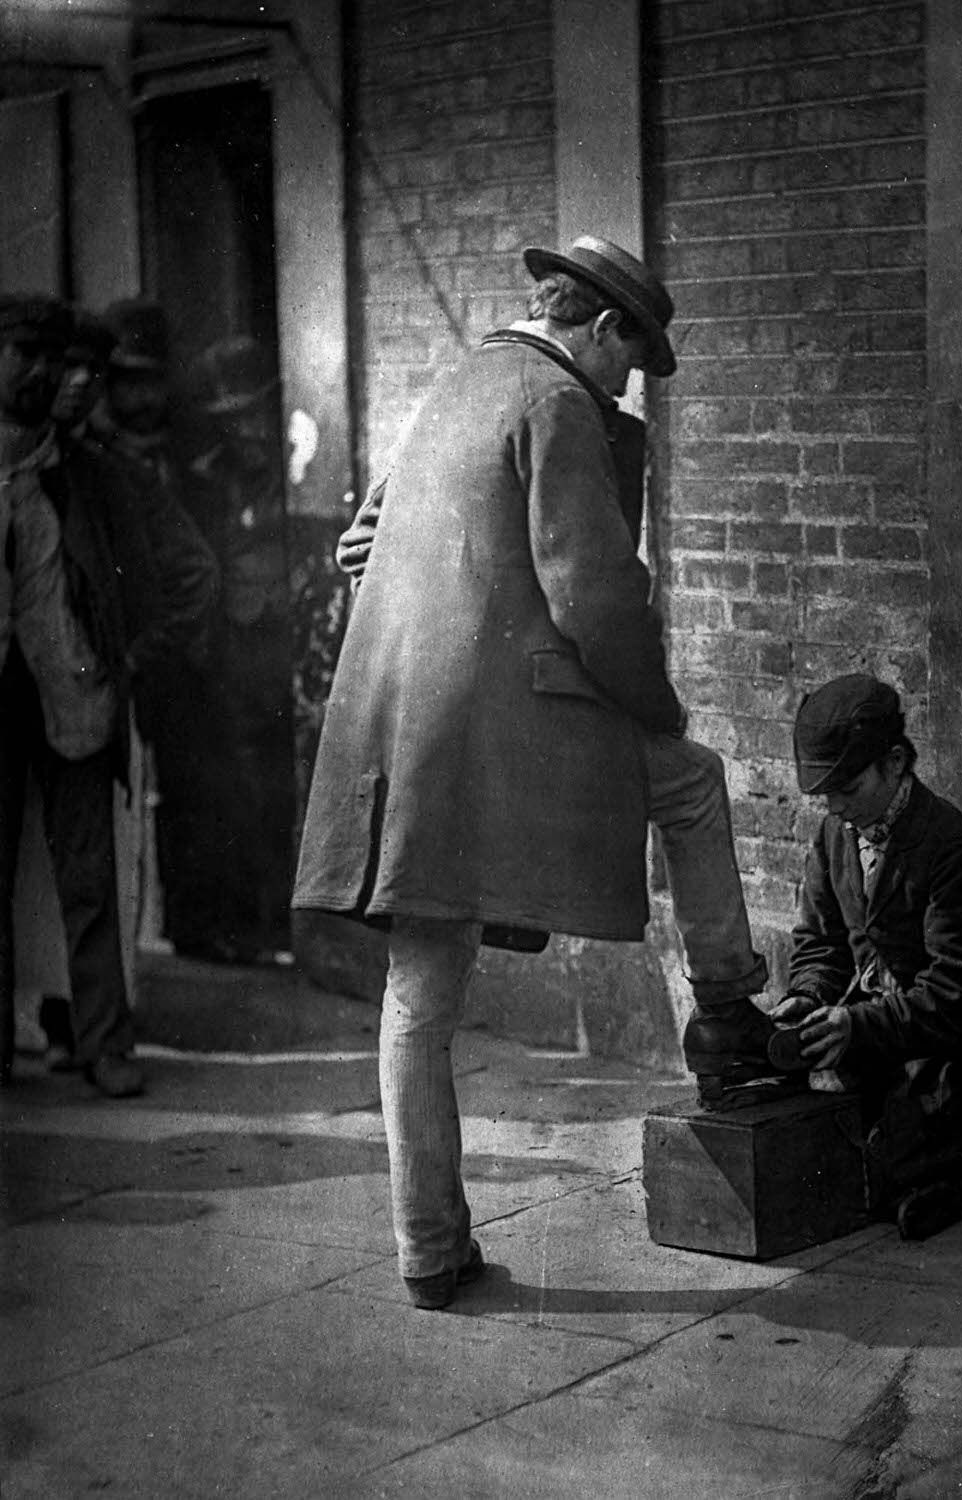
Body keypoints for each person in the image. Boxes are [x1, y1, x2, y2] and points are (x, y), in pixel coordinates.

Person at [293, 236, 782, 1309]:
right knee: (692, 778)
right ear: (599, 328)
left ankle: (430, 1250)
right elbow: (594, 599)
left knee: (419, 992)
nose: (625, 385)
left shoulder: (457, 385)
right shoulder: (558, 403)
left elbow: (360, 544)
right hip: (509, 732)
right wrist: (656, 702)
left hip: (405, 732)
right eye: (630, 361)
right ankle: (729, 1013)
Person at [766, 674, 962, 1239]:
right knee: (807, 1147)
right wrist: (806, 997)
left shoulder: (955, 851)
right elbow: (821, 945)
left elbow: (955, 996)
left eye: (848, 787)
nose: (836, 806)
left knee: (862, 1168)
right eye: (825, 794)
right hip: (883, 1052)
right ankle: (912, 1176)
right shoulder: (834, 836)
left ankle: (950, 1175)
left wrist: (856, 1026)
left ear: (894, 764)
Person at [0, 294, 141, 1095]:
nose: (41, 372)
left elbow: (146, 574)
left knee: (88, 877)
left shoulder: (86, 473)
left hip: (70, 691)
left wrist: (125, 657)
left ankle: (104, 1045)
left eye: (51, 357)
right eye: (23, 352)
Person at [90, 300, 225, 962]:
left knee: (191, 786)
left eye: (149, 380)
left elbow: (198, 562)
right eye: (125, 381)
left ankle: (192, 923)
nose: (139, 397)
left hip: (177, 653)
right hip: (120, 650)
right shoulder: (97, 457)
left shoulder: (188, 452)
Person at [184, 336, 294, 962]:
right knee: (232, 797)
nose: (247, 430)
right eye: (232, 418)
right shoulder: (205, 481)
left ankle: (278, 925)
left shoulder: (296, 466)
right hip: (225, 658)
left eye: (254, 413)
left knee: (278, 792)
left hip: (278, 653)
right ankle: (243, 926)